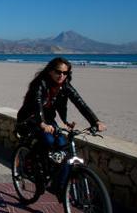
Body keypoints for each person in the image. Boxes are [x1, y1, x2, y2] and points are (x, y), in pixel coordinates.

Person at [16, 57, 106, 186]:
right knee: (48, 140)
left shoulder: (65, 86)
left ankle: (60, 186)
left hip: (47, 119)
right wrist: (42, 123)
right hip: (30, 118)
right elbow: (37, 104)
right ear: (50, 71)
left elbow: (80, 103)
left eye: (65, 73)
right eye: (58, 72)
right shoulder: (40, 84)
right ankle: (31, 163)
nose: (62, 76)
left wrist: (95, 121)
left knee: (63, 145)